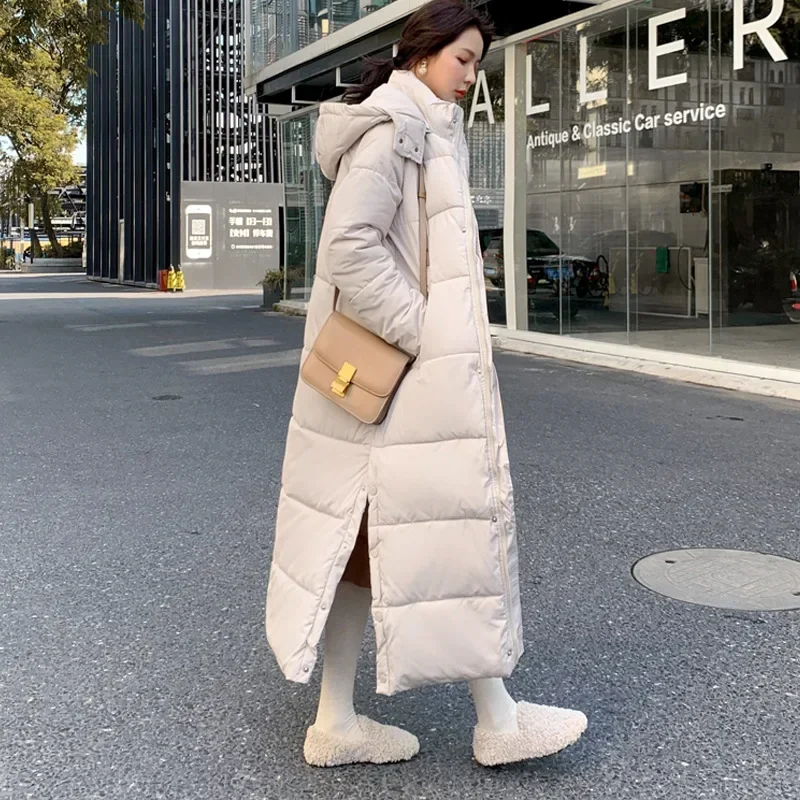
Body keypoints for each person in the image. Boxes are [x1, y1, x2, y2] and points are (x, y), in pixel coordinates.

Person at [265, 0, 588, 768]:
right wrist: (423, 331)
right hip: (398, 381)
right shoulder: (396, 130)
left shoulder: (424, 129)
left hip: (397, 384)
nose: (471, 77)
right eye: (464, 59)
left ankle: (343, 722)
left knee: (368, 544)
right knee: (450, 528)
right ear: (423, 52)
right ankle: (496, 719)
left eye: (478, 63)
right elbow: (348, 249)